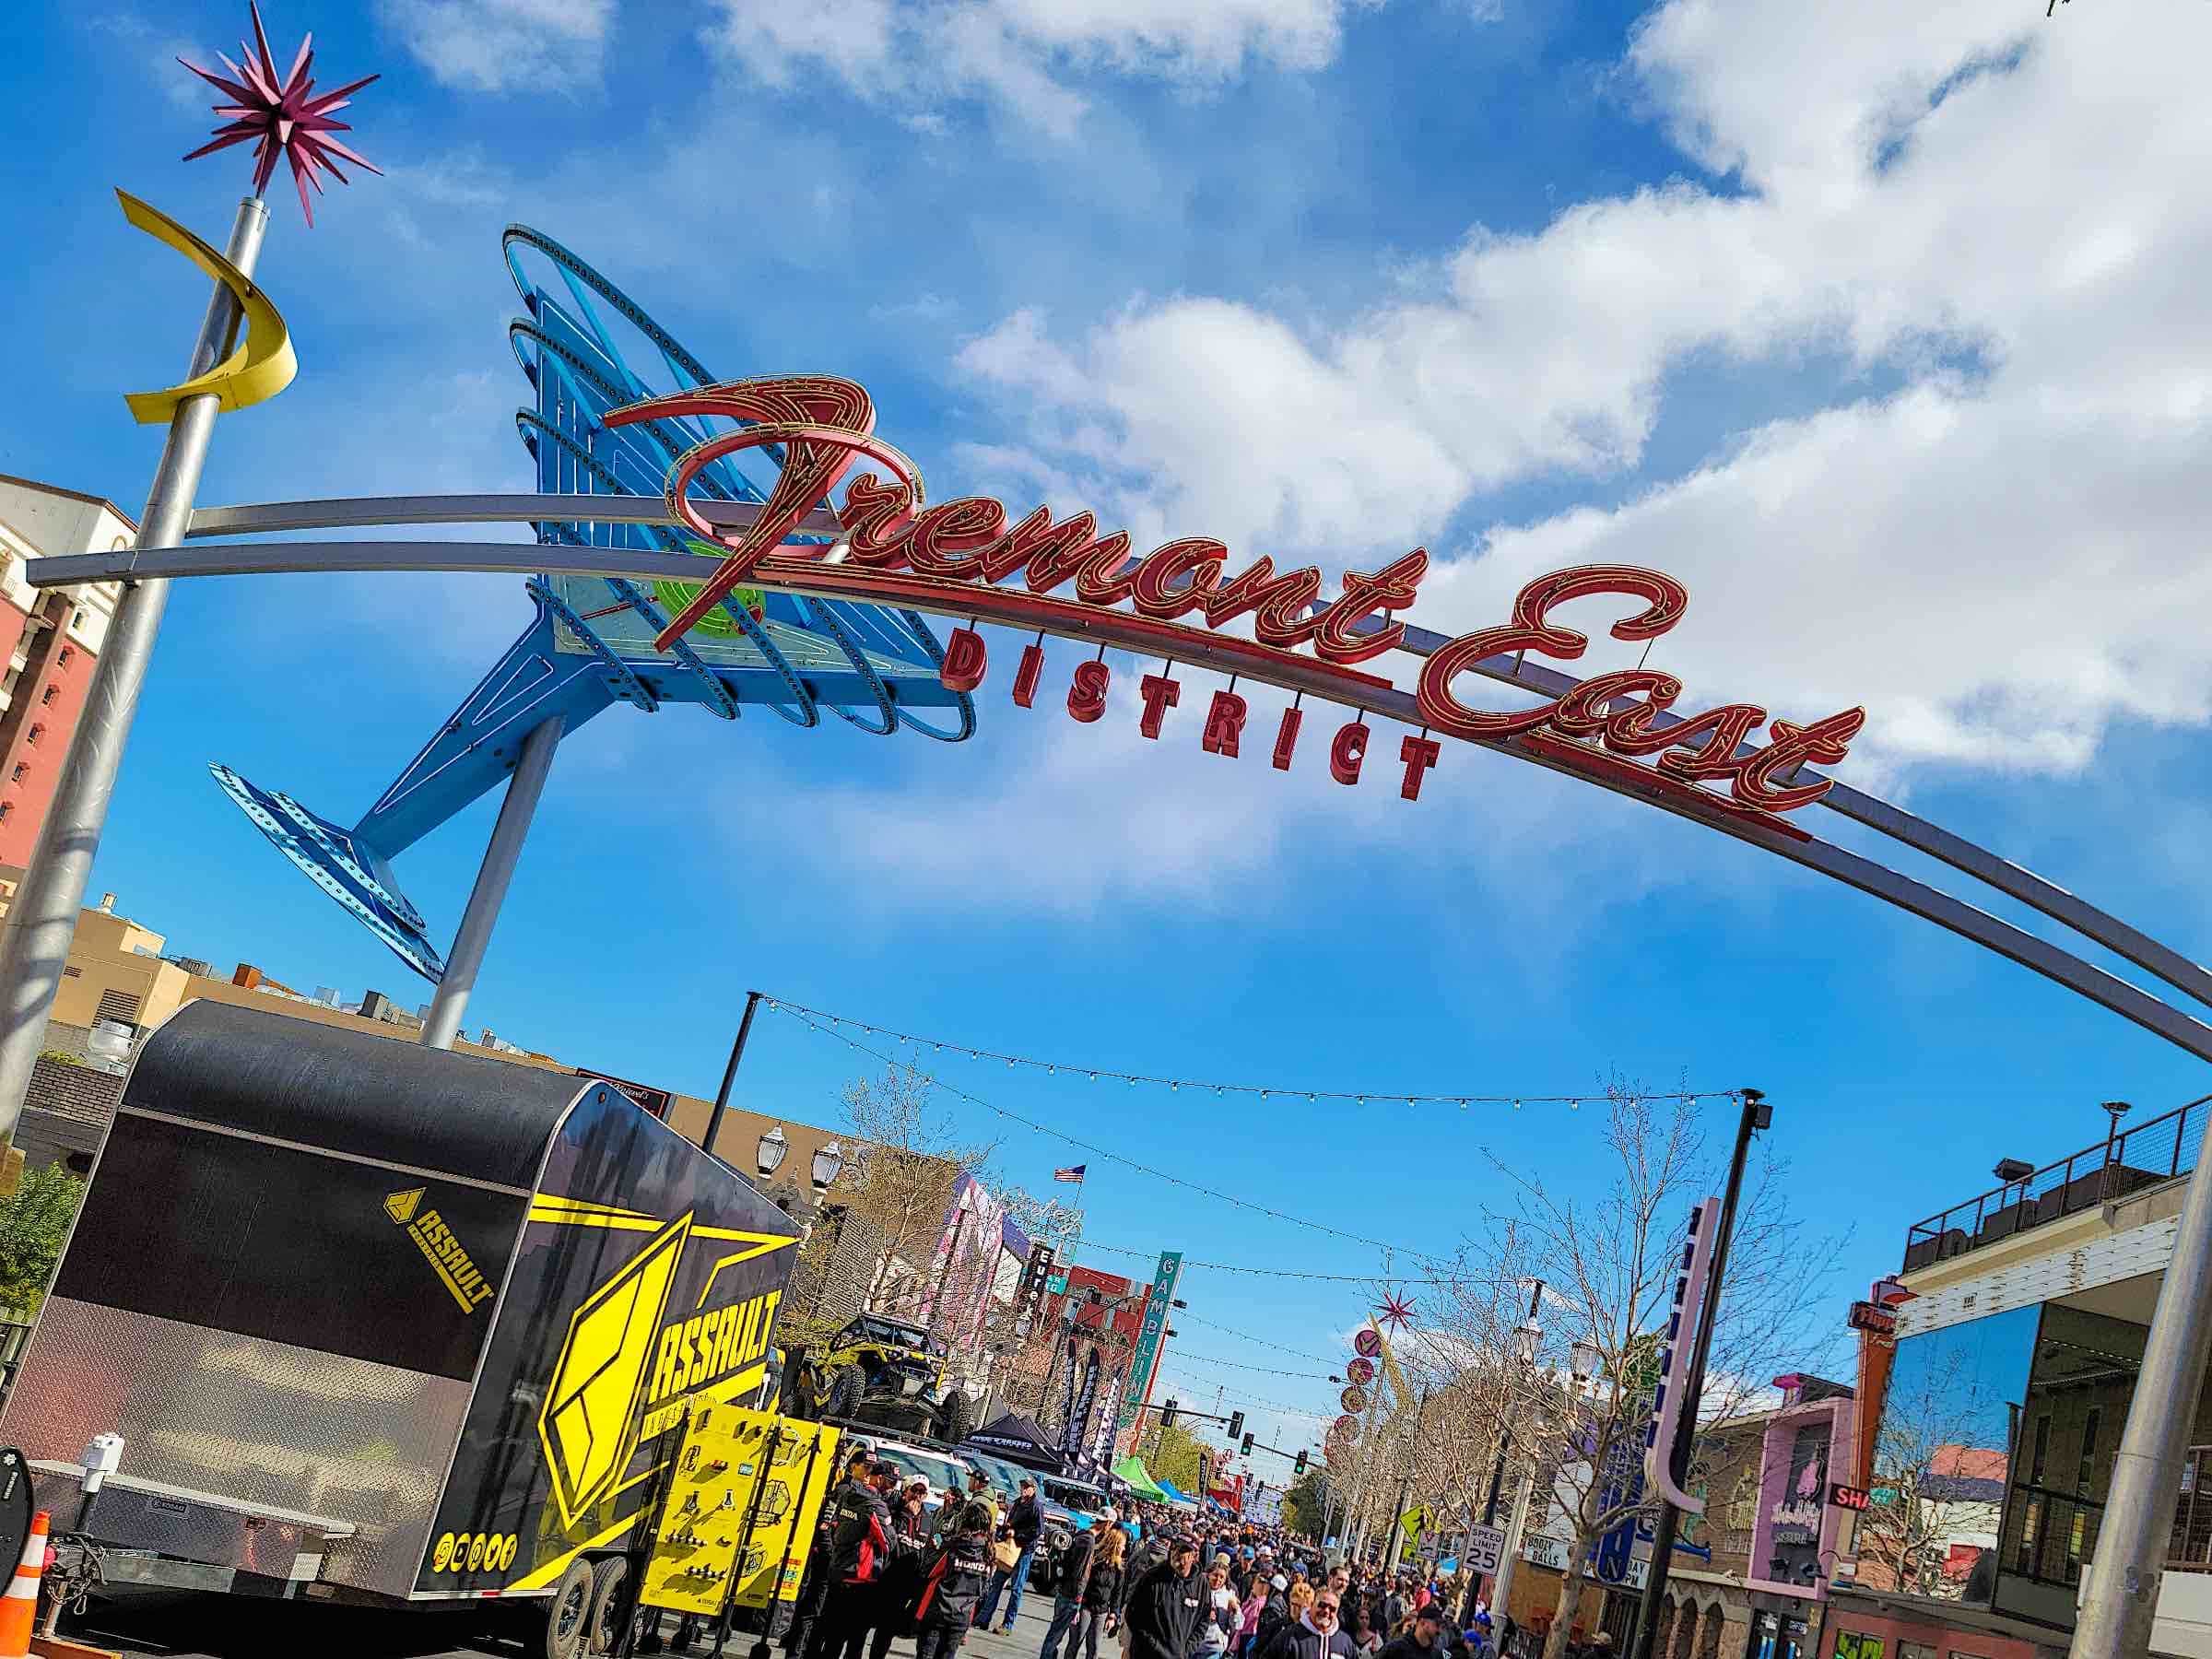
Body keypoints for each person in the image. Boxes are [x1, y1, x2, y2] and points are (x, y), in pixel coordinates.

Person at [808, 1459, 898, 1659]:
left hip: (837, 1568)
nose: (892, 1488)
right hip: (858, 1577)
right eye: (891, 1483)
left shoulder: (848, 1494)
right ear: (880, 1479)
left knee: (826, 1628)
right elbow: (888, 1543)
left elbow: (833, 1527)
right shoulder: (875, 1506)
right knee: (849, 1635)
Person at [912, 1501, 996, 1659]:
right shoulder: (989, 1554)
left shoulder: (952, 1547)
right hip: (962, 1616)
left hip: (938, 1612)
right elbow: (984, 1591)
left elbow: (929, 1572)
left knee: (925, 1653)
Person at [980, 1477, 1047, 1631]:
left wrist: (1016, 1534)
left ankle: (1008, 1624)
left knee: (1016, 1589)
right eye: (1022, 1485)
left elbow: (1038, 1531)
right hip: (1009, 1550)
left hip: (1024, 1552)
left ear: (1033, 1489)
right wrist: (1004, 1532)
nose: (1024, 1489)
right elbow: (1011, 1523)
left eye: (1027, 1487)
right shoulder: (1017, 1503)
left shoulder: (1036, 1506)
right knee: (996, 1584)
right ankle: (984, 1618)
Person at [1124, 1536, 1206, 1659]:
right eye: (1174, 1547)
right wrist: (1154, 1645)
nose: (1176, 1553)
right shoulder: (1152, 1577)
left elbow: (1203, 1620)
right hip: (1147, 1654)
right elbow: (1133, 1615)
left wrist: (1186, 1650)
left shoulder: (1201, 1585)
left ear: (1194, 1556)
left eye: (1182, 1550)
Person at [1041, 1522, 1101, 1659]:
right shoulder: (1089, 1541)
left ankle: (1049, 1655)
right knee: (1056, 1633)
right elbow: (1081, 1573)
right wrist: (1079, 1597)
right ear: (1108, 1524)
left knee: (1055, 1630)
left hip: (1064, 1589)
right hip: (1071, 1594)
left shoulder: (1080, 1535)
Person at [1077, 1524, 1131, 1659]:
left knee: (1094, 1648)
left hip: (1101, 1611)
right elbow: (1083, 1583)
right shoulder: (1095, 1560)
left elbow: (1117, 1594)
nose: (1124, 1548)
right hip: (1085, 1606)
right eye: (1122, 1545)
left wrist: (1113, 1615)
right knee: (1076, 1642)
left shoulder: (1119, 1569)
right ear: (1115, 1544)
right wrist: (1077, 1607)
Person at [1258, 1583, 1355, 1659]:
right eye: (1322, 1605)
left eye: (1332, 1609)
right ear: (1312, 1604)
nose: (1326, 1611)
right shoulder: (1290, 1635)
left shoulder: (1345, 1642)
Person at [1197, 1558, 1241, 1659]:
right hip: (1196, 1645)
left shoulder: (1229, 1595)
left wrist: (1235, 1611)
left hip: (1215, 1647)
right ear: (1208, 1574)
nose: (1218, 1579)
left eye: (1222, 1577)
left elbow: (1238, 1624)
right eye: (1215, 1575)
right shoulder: (1198, 1590)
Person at [1376, 1602, 1448, 1659]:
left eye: (1442, 1627)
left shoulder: (1437, 1655)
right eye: (1437, 1624)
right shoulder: (1395, 1648)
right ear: (1423, 1622)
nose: (1439, 1631)